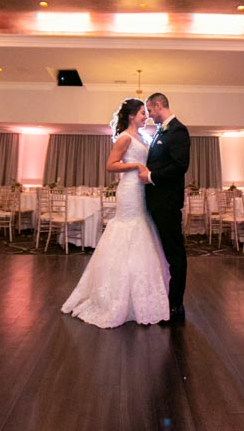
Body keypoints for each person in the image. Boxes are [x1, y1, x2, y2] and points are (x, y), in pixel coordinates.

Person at [61, 98, 170, 328]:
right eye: (142, 113)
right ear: (131, 115)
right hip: (129, 190)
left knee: (141, 231)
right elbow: (111, 165)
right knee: (128, 229)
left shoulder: (142, 137)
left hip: (141, 189)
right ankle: (116, 295)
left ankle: (139, 294)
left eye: (146, 113)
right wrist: (135, 166)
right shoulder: (125, 138)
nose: (146, 117)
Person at [139, 92, 190, 324]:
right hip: (157, 203)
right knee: (166, 253)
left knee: (175, 255)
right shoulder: (161, 131)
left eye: (150, 110)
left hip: (167, 204)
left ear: (159, 105)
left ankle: (176, 306)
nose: (149, 115)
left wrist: (151, 176)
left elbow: (180, 166)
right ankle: (164, 301)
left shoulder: (178, 130)